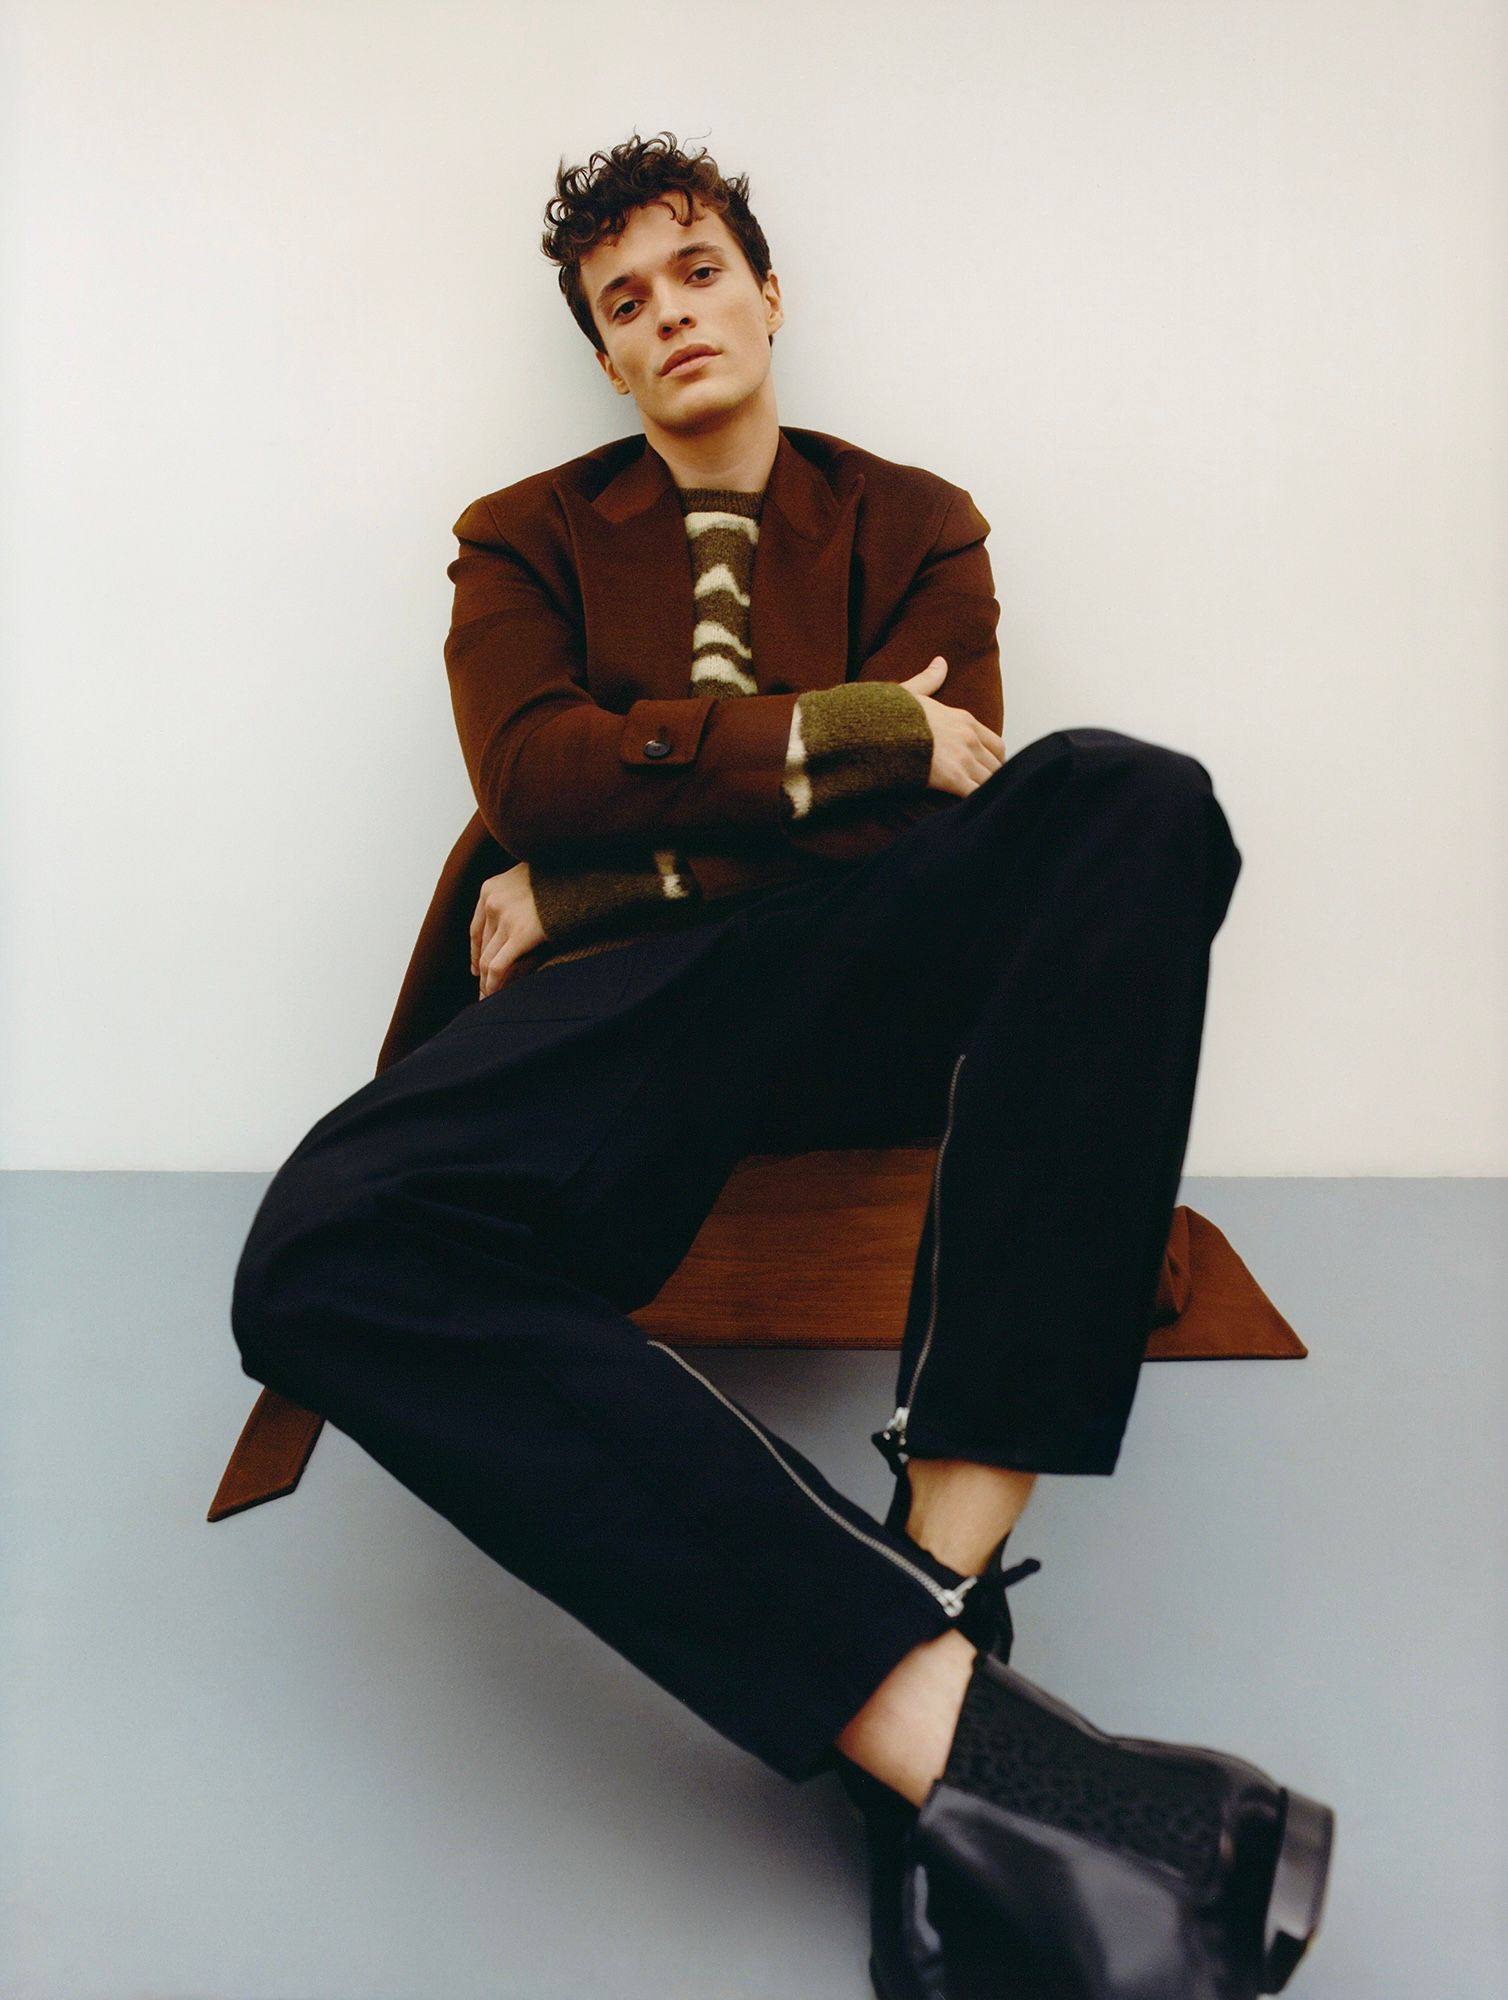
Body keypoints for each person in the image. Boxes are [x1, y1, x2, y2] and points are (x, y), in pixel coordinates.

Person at [227, 131, 1334, 1996]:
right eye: (624, 303)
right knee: (321, 1245)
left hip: (846, 985)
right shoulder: (524, 535)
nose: (670, 317)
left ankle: (942, 1607)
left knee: (1129, 801)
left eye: (697, 272)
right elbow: (532, 776)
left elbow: (949, 792)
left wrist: (581, 887)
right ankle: (994, 1758)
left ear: (766, 287)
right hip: (623, 1027)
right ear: (601, 354)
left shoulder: (914, 520)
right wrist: (843, 748)